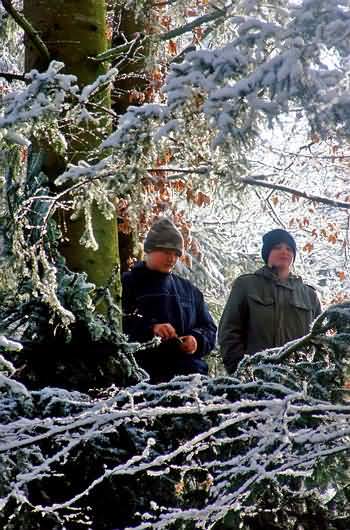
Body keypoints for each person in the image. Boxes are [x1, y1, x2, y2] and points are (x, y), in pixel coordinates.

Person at [122, 218, 217, 383]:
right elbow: (116, 325)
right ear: (150, 249)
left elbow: (209, 328)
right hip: (142, 379)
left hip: (191, 379)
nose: (172, 258)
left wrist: (196, 340)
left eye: (176, 254)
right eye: (166, 252)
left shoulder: (190, 290)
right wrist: (151, 329)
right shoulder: (126, 283)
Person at [218, 228, 322, 374]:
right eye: (277, 247)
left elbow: (319, 339)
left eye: (289, 248)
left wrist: (313, 375)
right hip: (255, 379)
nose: (284, 252)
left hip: (298, 379)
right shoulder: (247, 285)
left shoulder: (309, 294)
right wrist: (239, 369)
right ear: (267, 253)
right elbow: (229, 331)